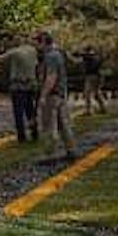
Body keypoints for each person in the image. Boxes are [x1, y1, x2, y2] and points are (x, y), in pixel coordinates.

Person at [0, 37, 39, 143]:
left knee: (18, 113)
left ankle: (21, 137)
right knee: (30, 110)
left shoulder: (14, 52)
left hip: (18, 86)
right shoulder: (33, 50)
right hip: (31, 85)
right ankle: (34, 133)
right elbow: (37, 64)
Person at [36, 33, 77, 162]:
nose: (36, 46)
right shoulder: (58, 54)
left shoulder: (50, 56)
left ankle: (50, 154)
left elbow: (51, 77)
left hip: (52, 95)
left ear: (43, 42)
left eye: (37, 42)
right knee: (64, 125)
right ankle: (71, 150)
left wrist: (43, 95)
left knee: (49, 126)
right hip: (60, 95)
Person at [72, 44, 107, 115]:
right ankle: (102, 108)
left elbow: (76, 54)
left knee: (87, 93)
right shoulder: (94, 56)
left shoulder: (89, 56)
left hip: (91, 76)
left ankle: (88, 110)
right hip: (97, 76)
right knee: (96, 93)